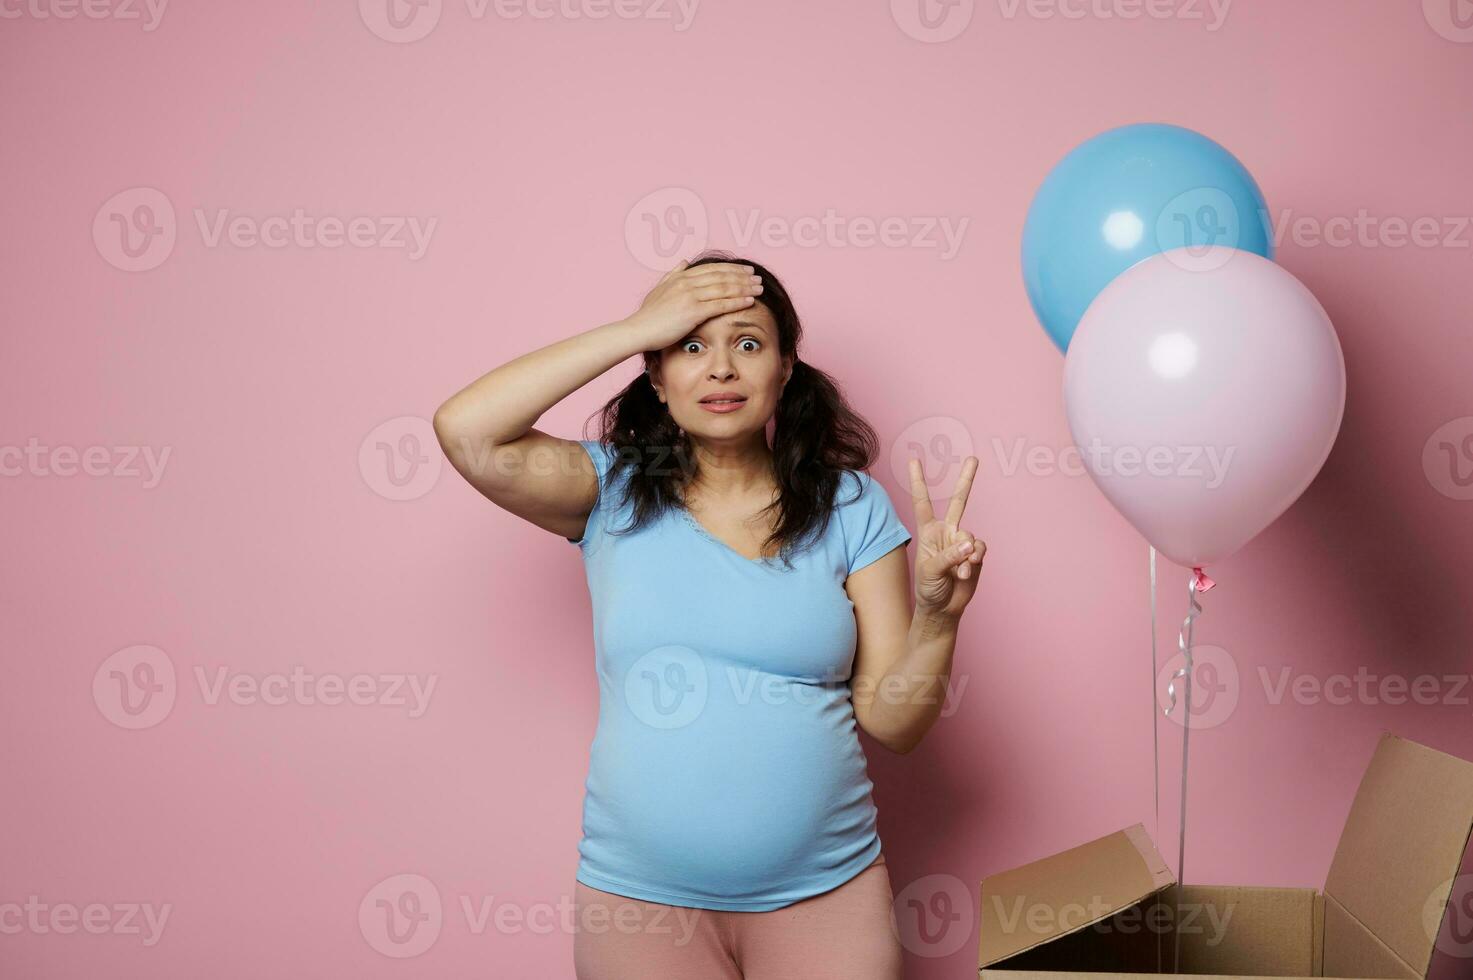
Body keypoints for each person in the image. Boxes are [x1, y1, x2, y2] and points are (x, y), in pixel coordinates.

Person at [432, 251, 986, 979]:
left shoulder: (850, 505)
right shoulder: (609, 490)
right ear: (656, 378)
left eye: (747, 344)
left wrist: (937, 618)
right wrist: (638, 327)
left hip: (827, 899)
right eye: (690, 345)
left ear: (784, 370)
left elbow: (894, 722)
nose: (720, 369)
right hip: (639, 907)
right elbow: (465, 429)